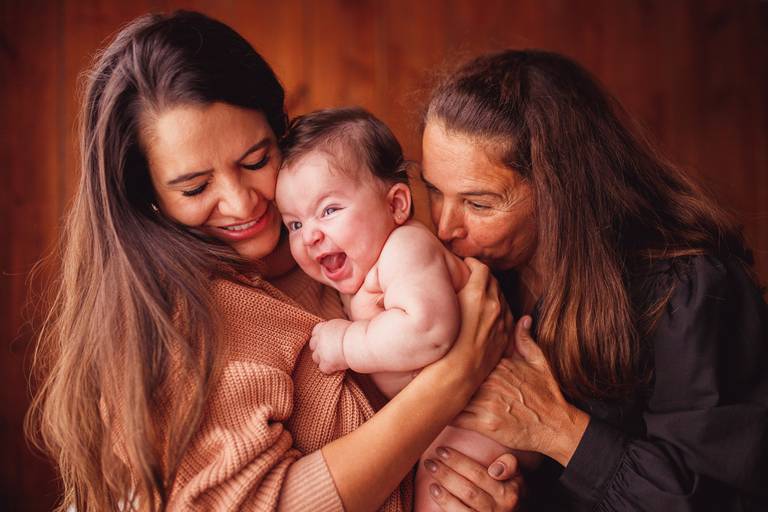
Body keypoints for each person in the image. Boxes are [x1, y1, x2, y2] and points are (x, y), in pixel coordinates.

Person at [25, 12, 523, 512]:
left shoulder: (343, 235)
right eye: (196, 188)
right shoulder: (180, 318)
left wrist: (484, 477)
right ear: (148, 196)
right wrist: (452, 381)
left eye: (257, 160)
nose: (242, 205)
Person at [419, 49, 768, 511]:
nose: (446, 227)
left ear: (559, 191)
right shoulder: (473, 279)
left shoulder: (689, 288)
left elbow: (723, 501)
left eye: (479, 204)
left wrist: (557, 429)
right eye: (434, 192)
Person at [275, 107, 525, 512]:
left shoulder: (405, 248)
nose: (311, 235)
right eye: (294, 224)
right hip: (451, 417)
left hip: (486, 416)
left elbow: (427, 332)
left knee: (444, 486)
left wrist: (347, 342)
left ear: (395, 205)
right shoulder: (360, 268)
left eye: (329, 210)